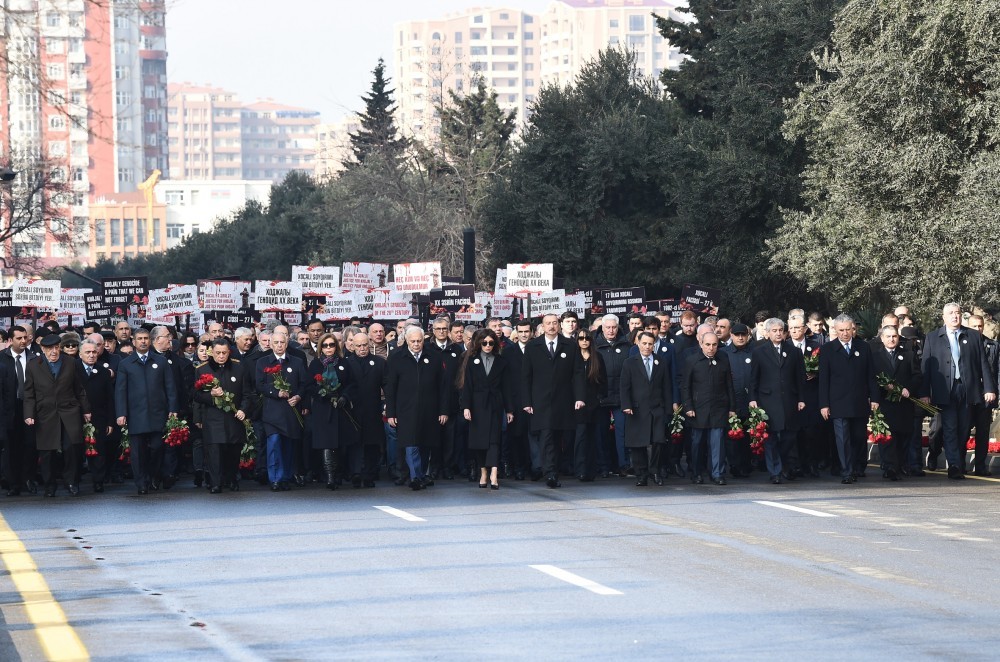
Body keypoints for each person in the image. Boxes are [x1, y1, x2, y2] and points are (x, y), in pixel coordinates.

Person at [920, 303, 996, 479]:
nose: (955, 316)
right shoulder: (933, 337)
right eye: (951, 313)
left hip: (967, 389)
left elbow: (983, 363)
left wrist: (989, 388)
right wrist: (925, 392)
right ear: (944, 317)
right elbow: (926, 367)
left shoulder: (973, 336)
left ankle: (958, 461)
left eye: (958, 313)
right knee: (949, 427)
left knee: (963, 428)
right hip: (945, 391)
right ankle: (954, 465)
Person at [521, 313, 586, 488]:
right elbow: (526, 376)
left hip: (563, 400)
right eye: (548, 323)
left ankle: (555, 468)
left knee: (560, 438)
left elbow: (578, 373)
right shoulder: (533, 346)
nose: (551, 326)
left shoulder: (570, 346)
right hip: (541, 401)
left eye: (554, 323)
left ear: (558, 325)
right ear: (542, 326)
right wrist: (526, 401)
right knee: (546, 436)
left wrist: (579, 397)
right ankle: (550, 473)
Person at [24, 334, 92, 497]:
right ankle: (50, 485)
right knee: (47, 452)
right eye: (49, 349)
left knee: (72, 448)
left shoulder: (70, 362)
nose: (54, 352)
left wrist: (86, 410)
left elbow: (79, 389)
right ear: (43, 349)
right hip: (45, 413)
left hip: (69, 411)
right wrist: (28, 413)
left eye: (56, 348)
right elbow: (29, 393)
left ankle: (71, 482)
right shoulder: (33, 365)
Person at [115, 327, 179, 495]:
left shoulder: (161, 361)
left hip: (158, 413)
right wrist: (121, 413)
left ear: (150, 341)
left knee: (157, 448)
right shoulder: (125, 364)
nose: (143, 341)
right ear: (134, 342)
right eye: (140, 339)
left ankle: (153, 476)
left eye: (145, 338)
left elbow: (170, 387)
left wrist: (173, 408)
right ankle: (141, 483)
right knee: (137, 452)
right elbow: (120, 391)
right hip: (136, 415)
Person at [384, 326, 450, 490]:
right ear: (406, 341)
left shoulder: (434, 357)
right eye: (412, 341)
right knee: (411, 443)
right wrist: (391, 412)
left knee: (425, 443)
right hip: (405, 409)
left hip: (430, 409)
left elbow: (443, 387)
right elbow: (390, 387)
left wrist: (443, 410)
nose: (416, 344)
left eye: (419, 341)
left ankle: (420, 474)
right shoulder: (396, 357)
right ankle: (415, 477)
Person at [819, 314, 881, 484]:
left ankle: (856, 467)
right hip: (837, 402)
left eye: (848, 329)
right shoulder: (828, 349)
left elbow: (871, 375)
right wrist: (824, 404)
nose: (845, 333)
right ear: (835, 330)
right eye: (841, 330)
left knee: (858, 437)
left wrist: (874, 398)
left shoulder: (863, 347)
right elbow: (823, 380)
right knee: (842, 439)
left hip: (859, 401)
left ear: (853, 329)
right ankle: (846, 471)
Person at [749, 319, 806, 484]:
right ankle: (775, 471)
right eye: (774, 330)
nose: (778, 333)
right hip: (768, 400)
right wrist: (753, 398)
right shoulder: (759, 352)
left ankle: (782, 462)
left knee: (789, 435)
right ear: (767, 333)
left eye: (781, 330)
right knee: (771, 437)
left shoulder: (793, 351)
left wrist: (801, 398)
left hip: (789, 399)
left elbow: (800, 377)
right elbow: (754, 378)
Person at [193, 339, 254, 493]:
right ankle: (215, 482)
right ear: (211, 353)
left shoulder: (239, 368)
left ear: (229, 352)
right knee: (214, 451)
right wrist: (211, 396)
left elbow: (247, 393)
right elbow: (195, 395)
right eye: (218, 353)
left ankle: (231, 479)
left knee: (233, 450)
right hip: (213, 418)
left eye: (224, 353)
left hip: (234, 417)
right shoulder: (202, 369)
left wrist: (243, 410)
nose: (221, 356)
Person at [458, 329, 513, 489]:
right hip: (477, 405)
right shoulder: (472, 360)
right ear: (479, 343)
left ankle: (494, 474)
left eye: (491, 343)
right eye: (484, 343)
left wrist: (509, 409)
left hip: (495, 404)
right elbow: (467, 386)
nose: (488, 346)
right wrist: (466, 407)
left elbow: (507, 387)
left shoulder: (501, 361)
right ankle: (483, 472)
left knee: (494, 440)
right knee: (479, 441)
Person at [681, 332, 736, 485]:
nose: (711, 348)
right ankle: (697, 472)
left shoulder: (723, 359)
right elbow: (685, 386)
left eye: (714, 345)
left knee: (717, 443)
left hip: (719, 408)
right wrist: (688, 406)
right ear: (701, 344)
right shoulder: (691, 360)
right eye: (708, 344)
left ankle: (717, 473)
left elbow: (729, 385)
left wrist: (732, 407)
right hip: (698, 409)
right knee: (697, 443)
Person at [620, 331, 674, 486]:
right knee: (638, 444)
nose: (647, 347)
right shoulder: (629, 363)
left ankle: (655, 471)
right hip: (636, 410)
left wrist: (668, 410)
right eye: (644, 343)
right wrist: (626, 405)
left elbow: (666, 387)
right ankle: (641, 474)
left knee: (658, 441)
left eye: (650, 344)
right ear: (638, 343)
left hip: (657, 409)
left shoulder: (660, 362)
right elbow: (624, 387)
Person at [256, 330, 307, 491]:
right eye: (276, 343)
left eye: (282, 342)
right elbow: (260, 385)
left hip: (291, 410)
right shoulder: (263, 362)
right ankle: (275, 478)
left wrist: (298, 396)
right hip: (272, 411)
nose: (279, 346)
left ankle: (286, 476)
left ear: (287, 344)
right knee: (274, 443)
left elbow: (304, 383)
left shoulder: (297, 362)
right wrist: (276, 392)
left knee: (288, 444)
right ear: (270, 344)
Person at [307, 332, 358, 489]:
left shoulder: (343, 363)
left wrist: (345, 396)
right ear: (321, 347)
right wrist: (323, 393)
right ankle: (330, 476)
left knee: (341, 444)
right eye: (325, 345)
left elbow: (352, 383)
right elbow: (309, 386)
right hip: (323, 408)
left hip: (341, 409)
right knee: (327, 443)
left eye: (332, 345)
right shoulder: (315, 364)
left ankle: (339, 473)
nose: (329, 348)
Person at [872, 325, 922, 481]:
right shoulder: (875, 356)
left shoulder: (908, 355)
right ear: (882, 338)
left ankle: (900, 465)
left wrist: (908, 388)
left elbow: (917, 376)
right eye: (888, 336)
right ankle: (890, 467)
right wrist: (881, 388)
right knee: (888, 437)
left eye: (894, 336)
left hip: (904, 403)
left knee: (903, 435)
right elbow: (871, 378)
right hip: (884, 403)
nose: (891, 339)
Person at [151, 325, 193, 489]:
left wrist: (179, 409)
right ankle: (154, 474)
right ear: (157, 339)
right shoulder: (148, 358)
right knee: (155, 446)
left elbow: (181, 388)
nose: (171, 339)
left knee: (171, 445)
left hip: (173, 410)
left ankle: (169, 474)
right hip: (152, 410)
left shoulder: (177, 361)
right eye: (167, 336)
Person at [345, 333, 386, 487]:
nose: (362, 349)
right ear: (352, 346)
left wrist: (387, 403)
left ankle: (369, 474)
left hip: (372, 409)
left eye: (364, 345)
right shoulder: (347, 363)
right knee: (355, 443)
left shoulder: (379, 363)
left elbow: (386, 384)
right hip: (352, 410)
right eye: (358, 346)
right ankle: (355, 473)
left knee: (372, 443)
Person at [1, 326, 36, 496]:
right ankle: (13, 483)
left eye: (25, 338)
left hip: (30, 408)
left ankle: (27, 479)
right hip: (8, 410)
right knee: (11, 447)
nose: (23, 341)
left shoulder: (35, 358)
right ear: (10, 340)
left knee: (29, 445)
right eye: (19, 338)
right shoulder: (2, 359)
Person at [594, 314, 630, 477]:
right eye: (607, 327)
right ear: (602, 328)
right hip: (601, 398)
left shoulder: (626, 345)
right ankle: (603, 466)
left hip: (621, 397)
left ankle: (623, 465)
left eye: (614, 327)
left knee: (622, 432)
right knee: (600, 434)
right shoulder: (594, 346)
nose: (611, 330)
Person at [78, 339, 115, 493]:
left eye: (94, 352)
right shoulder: (73, 370)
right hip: (76, 416)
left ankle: (98, 481)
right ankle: (74, 481)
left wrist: (110, 422)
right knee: (75, 450)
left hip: (99, 417)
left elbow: (110, 399)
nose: (92, 355)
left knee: (98, 451)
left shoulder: (103, 372)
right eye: (88, 352)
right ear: (80, 354)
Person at [967, 314, 998, 476]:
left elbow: (996, 372)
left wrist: (994, 392)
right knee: (963, 430)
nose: (977, 329)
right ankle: (958, 463)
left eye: (980, 326)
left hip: (985, 397)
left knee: (983, 432)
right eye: (974, 326)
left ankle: (980, 466)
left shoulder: (992, 345)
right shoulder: (963, 344)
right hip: (967, 395)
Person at [574, 328, 606, 482]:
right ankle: (580, 469)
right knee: (580, 437)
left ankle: (591, 470)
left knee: (593, 438)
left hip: (594, 405)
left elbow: (603, 381)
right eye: (581, 338)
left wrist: (599, 398)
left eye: (587, 338)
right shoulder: (574, 357)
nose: (584, 341)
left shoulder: (597, 357)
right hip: (577, 405)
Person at [725, 322, 754, 477]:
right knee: (733, 437)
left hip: (751, 401)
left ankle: (747, 464)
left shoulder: (755, 352)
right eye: (737, 335)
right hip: (732, 401)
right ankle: (735, 465)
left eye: (743, 334)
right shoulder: (724, 353)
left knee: (749, 435)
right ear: (731, 335)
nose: (741, 337)